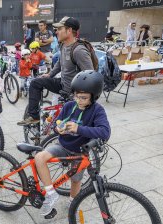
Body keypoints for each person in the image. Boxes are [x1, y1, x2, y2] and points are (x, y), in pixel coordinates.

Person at [34, 70, 111, 216]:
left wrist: (79, 128)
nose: (78, 100)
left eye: (84, 97)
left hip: (80, 151)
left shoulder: (97, 110)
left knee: (76, 180)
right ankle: (51, 193)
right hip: (63, 146)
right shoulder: (69, 105)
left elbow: (105, 132)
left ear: (94, 97)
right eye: (76, 95)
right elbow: (57, 125)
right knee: (39, 157)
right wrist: (58, 129)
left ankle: (72, 201)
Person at [19, 16, 94, 126]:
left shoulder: (79, 50)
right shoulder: (63, 45)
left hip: (72, 92)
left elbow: (91, 76)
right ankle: (34, 116)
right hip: (62, 84)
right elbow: (59, 63)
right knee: (35, 83)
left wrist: (81, 97)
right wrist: (49, 74)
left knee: (64, 128)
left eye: (59, 29)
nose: (56, 32)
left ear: (69, 31)